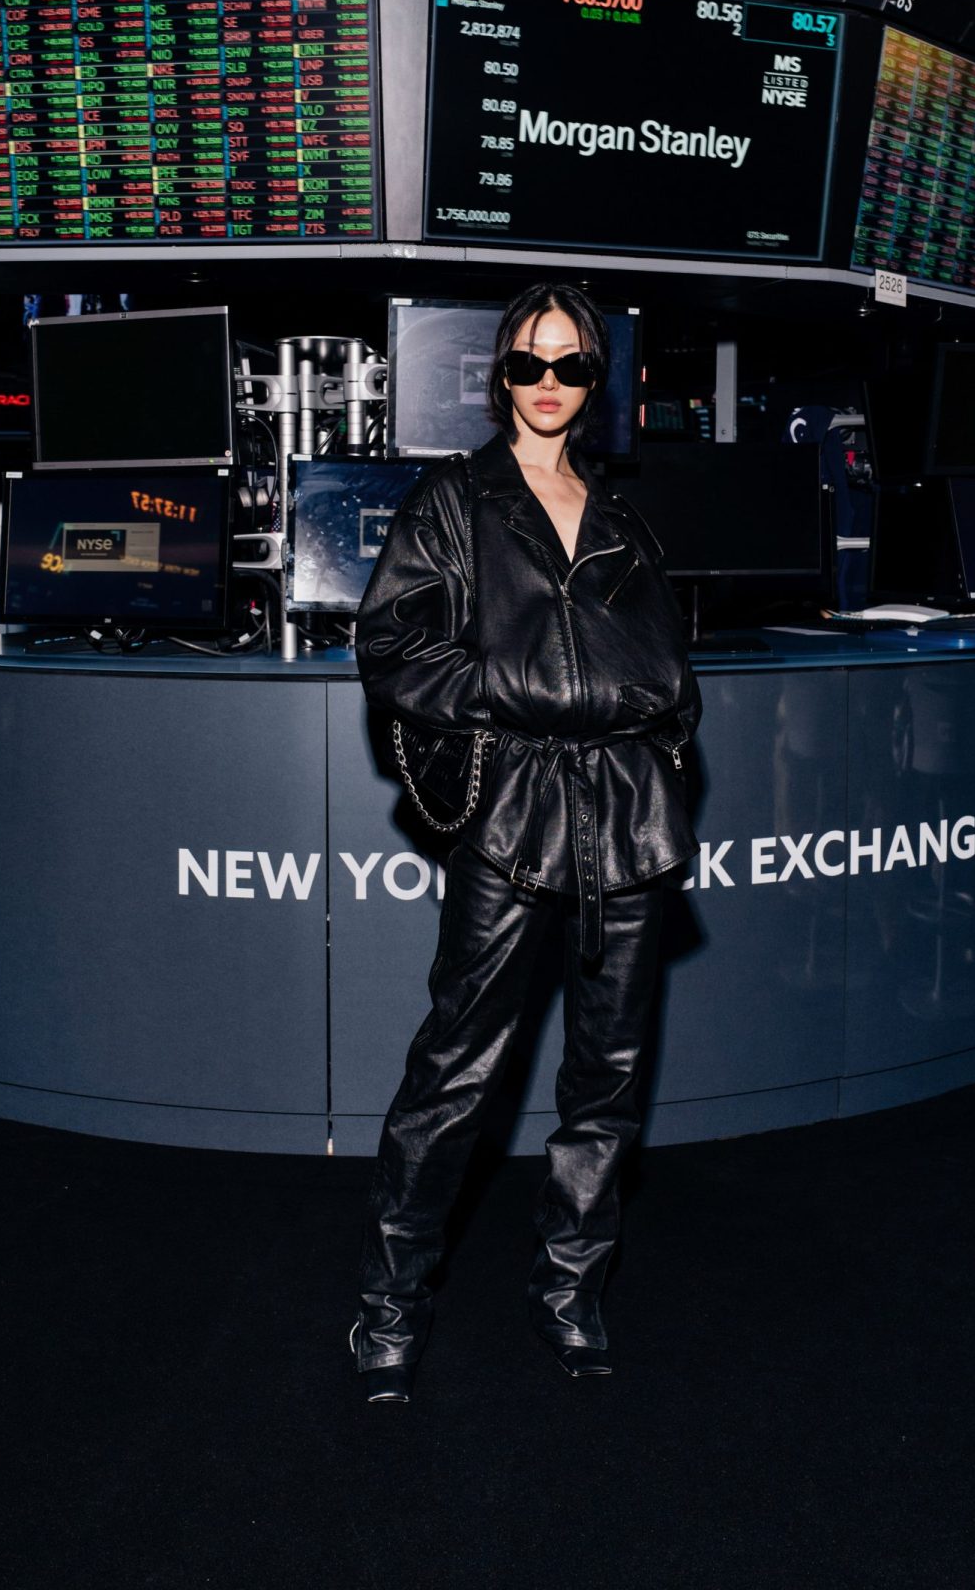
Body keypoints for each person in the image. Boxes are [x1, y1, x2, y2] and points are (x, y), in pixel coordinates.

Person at [350, 281, 700, 1401]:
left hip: (628, 822)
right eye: (527, 364)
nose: (548, 385)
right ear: (499, 374)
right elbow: (394, 647)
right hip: (507, 819)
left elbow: (671, 683)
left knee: (606, 1082)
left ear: (595, 383)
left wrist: (640, 719)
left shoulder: (624, 515)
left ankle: (569, 1287)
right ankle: (390, 1308)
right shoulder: (450, 503)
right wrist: (542, 690)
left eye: (571, 367)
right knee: (455, 1072)